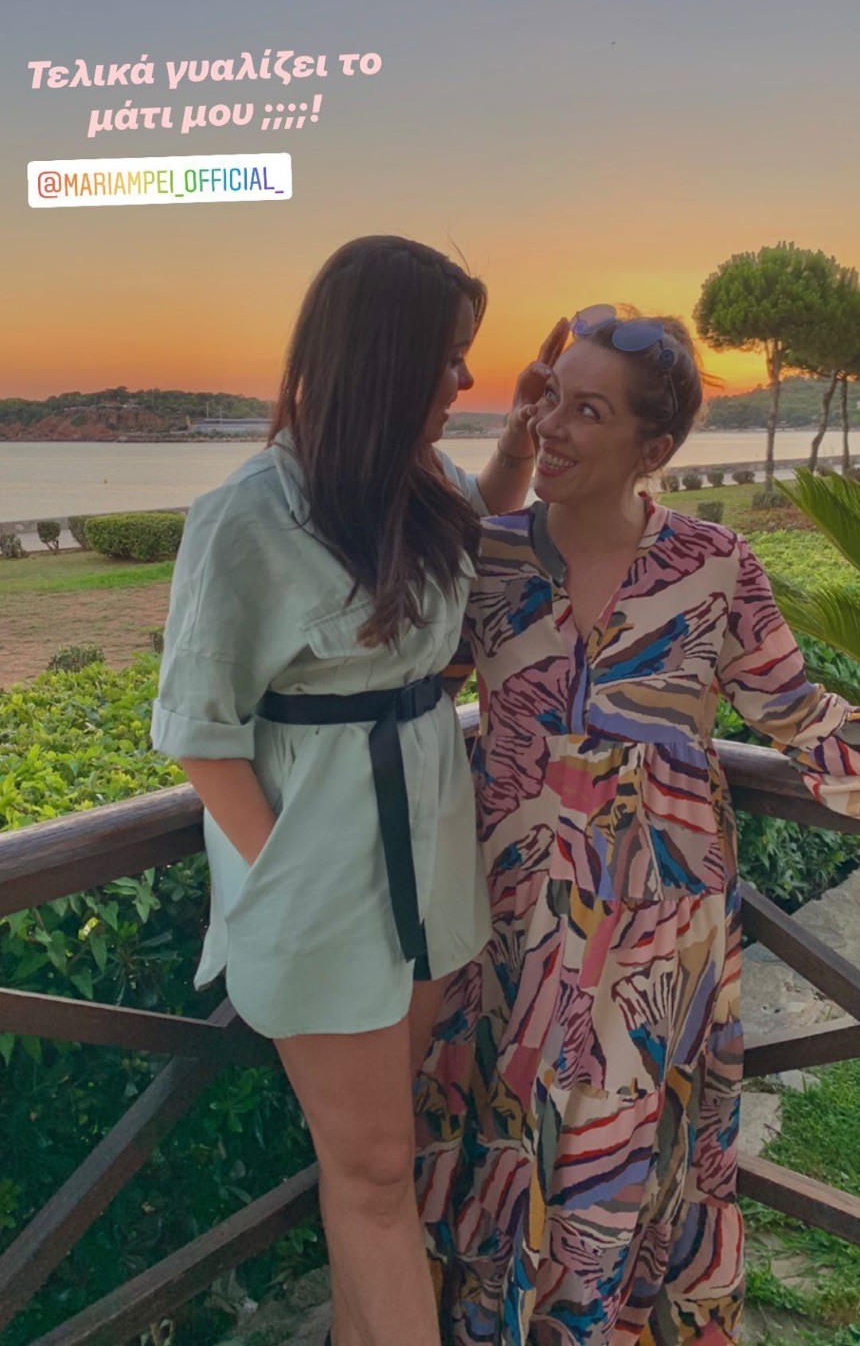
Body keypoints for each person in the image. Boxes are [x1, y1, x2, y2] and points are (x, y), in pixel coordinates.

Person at [150, 234, 568, 1346]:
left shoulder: (417, 484)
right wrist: (284, 874)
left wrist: (518, 446)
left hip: (422, 862)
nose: (465, 379)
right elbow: (197, 732)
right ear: (383, 357)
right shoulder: (247, 514)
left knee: (375, 1157)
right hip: (321, 878)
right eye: (449, 355)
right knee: (378, 1163)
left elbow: (473, 532)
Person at [415, 304, 860, 1345]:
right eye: (547, 398)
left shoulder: (713, 563)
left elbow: (802, 717)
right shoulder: (485, 560)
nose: (550, 425)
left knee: (616, 1179)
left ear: (652, 450)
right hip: (509, 936)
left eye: (587, 410)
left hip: (657, 948)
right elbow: (396, 689)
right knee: (501, 1154)